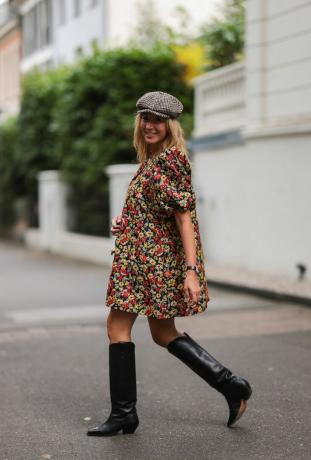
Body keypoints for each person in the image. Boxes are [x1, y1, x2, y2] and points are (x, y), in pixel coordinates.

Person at [87, 91, 252, 437]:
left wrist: (191, 271)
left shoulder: (171, 161)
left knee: (118, 328)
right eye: (146, 118)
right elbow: (155, 212)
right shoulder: (153, 160)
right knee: (163, 334)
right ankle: (231, 385)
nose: (150, 125)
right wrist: (126, 221)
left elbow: (184, 218)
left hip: (152, 263)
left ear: (170, 125)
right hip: (142, 259)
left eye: (158, 120)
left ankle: (124, 415)